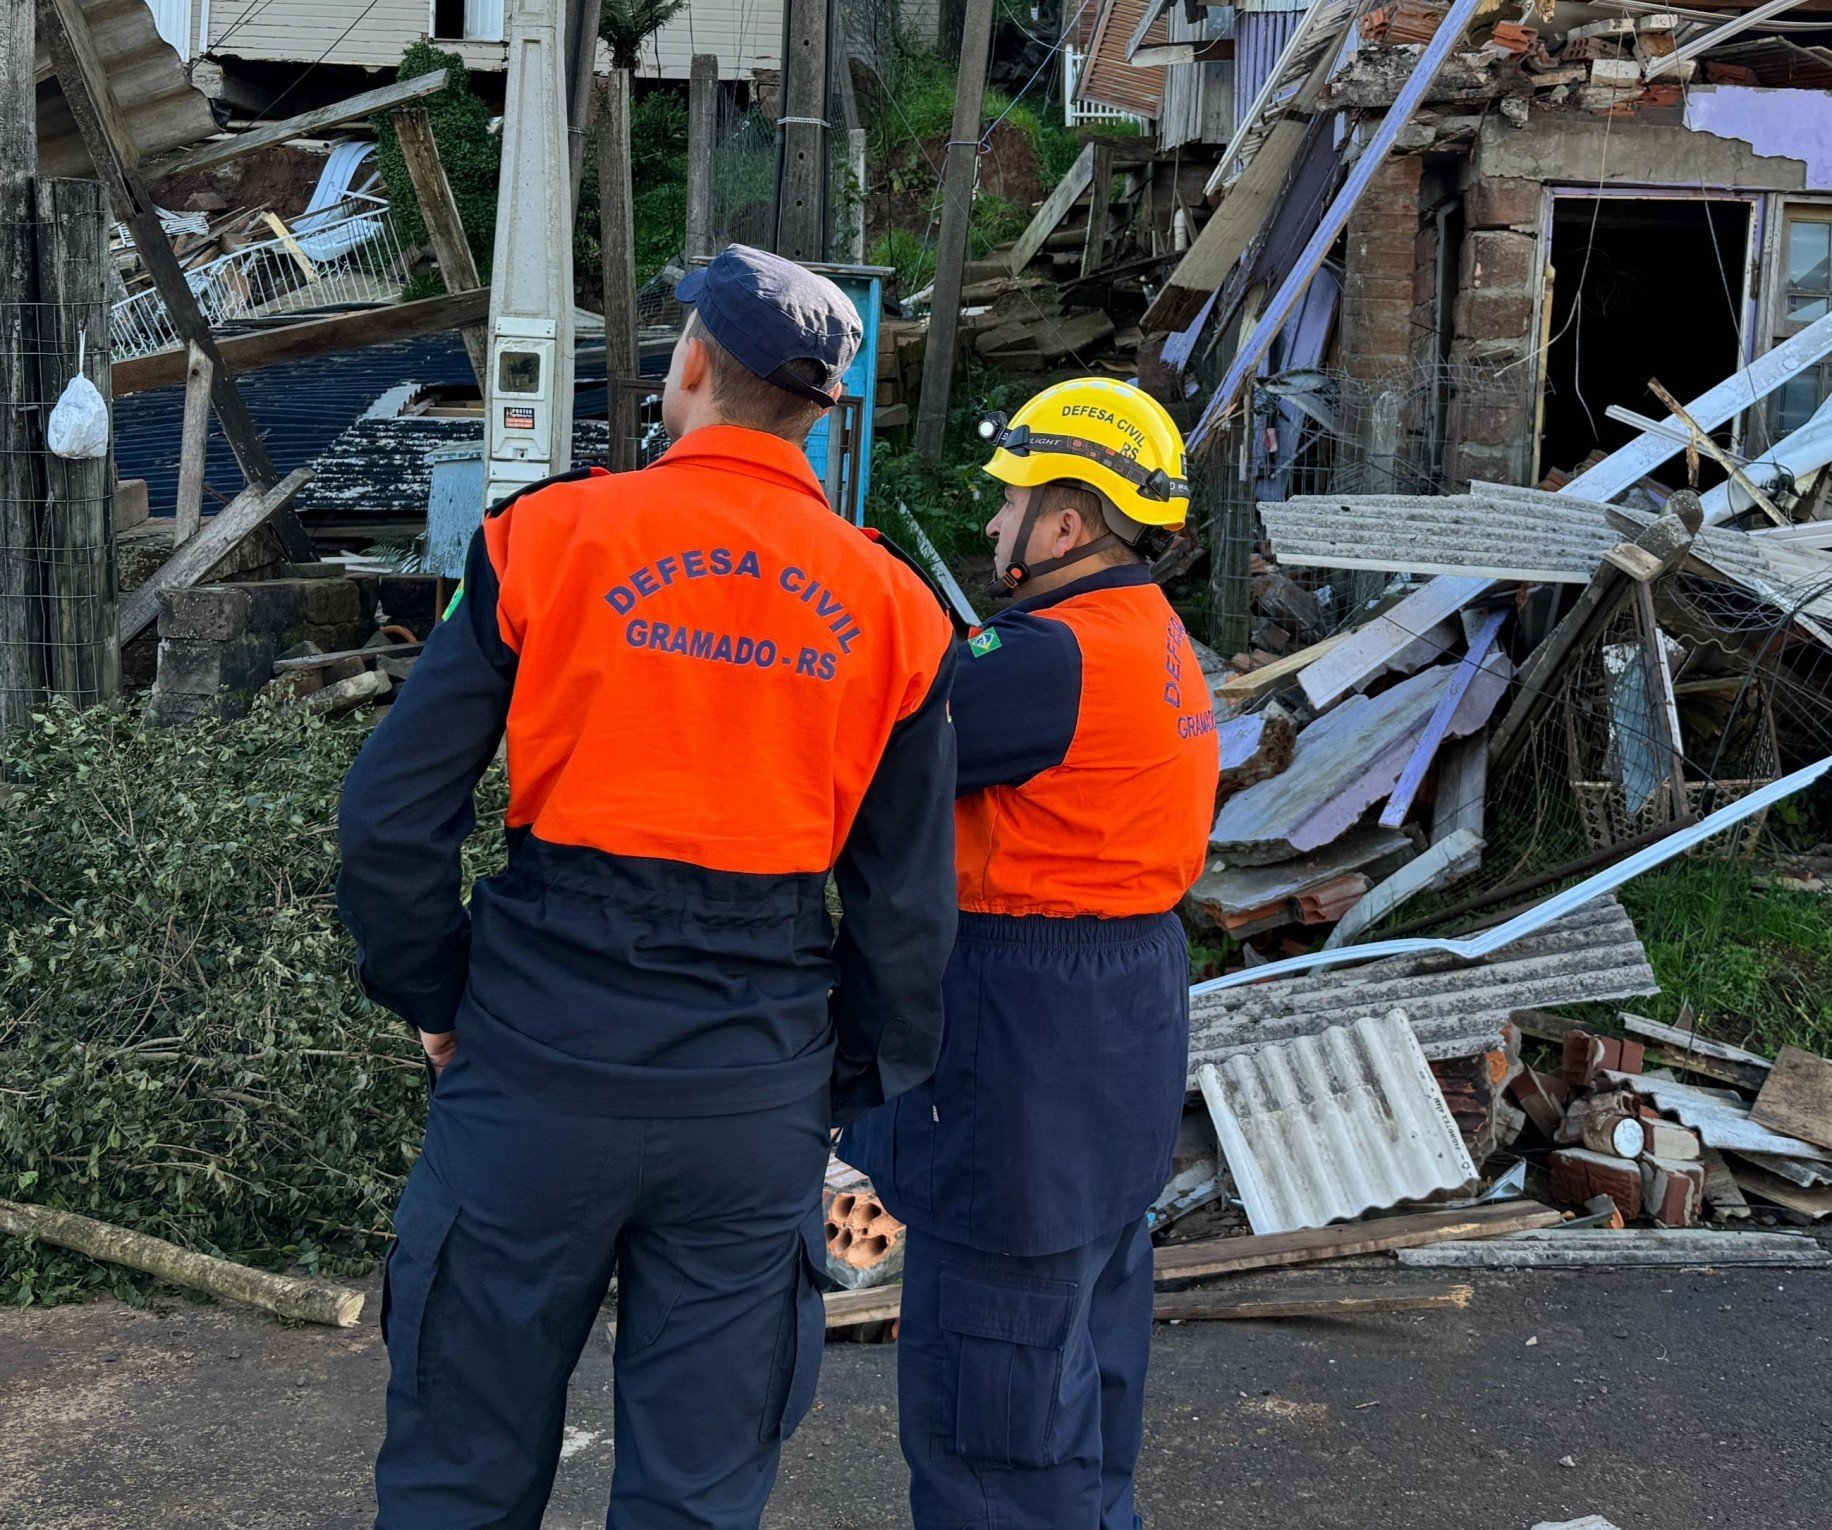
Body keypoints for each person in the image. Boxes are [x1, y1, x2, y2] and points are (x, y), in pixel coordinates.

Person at [337, 244, 961, 1529]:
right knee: (696, 1490)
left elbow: (392, 819)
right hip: (750, 1095)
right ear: (824, 413)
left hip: (531, 1070)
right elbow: (906, 918)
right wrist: (825, 1080)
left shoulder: (546, 540)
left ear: (689, 369)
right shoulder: (898, 615)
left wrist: (440, 998)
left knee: (459, 1471)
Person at [839, 377, 1219, 1530]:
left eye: (1010, 504)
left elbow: (874, 758)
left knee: (991, 1419)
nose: (993, 524)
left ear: (1067, 523)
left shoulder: (1048, 658)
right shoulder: (1150, 638)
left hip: (1023, 1044)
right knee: (1087, 1390)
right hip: (1114, 1034)